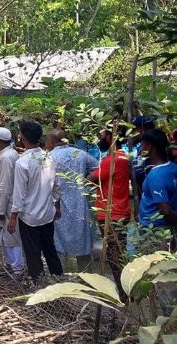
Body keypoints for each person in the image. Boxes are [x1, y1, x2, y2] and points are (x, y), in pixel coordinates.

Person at [8, 121, 63, 285]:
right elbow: (57, 185)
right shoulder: (48, 157)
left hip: (29, 217)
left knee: (32, 252)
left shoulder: (22, 163)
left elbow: (19, 194)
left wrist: (12, 218)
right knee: (50, 249)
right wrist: (57, 206)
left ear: (22, 138)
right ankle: (58, 279)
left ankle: (39, 285)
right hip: (47, 214)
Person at [87, 126, 131, 299]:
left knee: (114, 255)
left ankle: (124, 293)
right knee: (118, 252)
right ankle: (125, 290)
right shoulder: (124, 157)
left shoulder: (113, 159)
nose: (100, 140)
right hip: (120, 211)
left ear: (110, 138)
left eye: (102, 136)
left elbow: (91, 179)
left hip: (111, 213)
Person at [46, 128, 98, 272]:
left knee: (57, 245)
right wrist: (85, 183)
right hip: (79, 205)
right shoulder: (79, 153)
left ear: (51, 142)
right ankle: (88, 280)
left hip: (57, 205)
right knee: (83, 243)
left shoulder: (49, 157)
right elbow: (98, 168)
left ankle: (59, 278)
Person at [0, 127, 24, 277]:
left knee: (11, 238)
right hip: (3, 203)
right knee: (5, 238)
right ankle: (10, 268)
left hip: (5, 205)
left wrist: (0, 210)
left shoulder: (7, 157)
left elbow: (5, 185)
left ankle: (16, 270)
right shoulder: (8, 154)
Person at [138, 129, 177, 235]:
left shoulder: (155, 176)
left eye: (142, 146)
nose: (141, 149)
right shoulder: (173, 168)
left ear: (149, 147)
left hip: (155, 231)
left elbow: (165, 211)